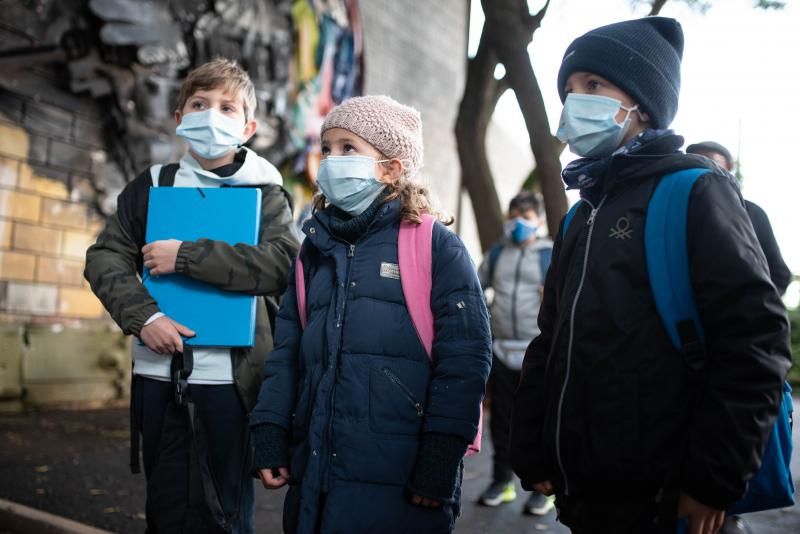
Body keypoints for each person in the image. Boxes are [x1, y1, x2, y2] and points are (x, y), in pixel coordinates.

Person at [509, 17, 791, 534]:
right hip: (586, 491)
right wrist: (534, 447)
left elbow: (755, 342)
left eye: (594, 85)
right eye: (569, 90)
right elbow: (552, 342)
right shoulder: (581, 212)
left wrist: (713, 480)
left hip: (671, 495)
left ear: (643, 103)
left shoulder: (696, 191)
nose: (576, 102)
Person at [248, 95, 492, 533]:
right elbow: (287, 354)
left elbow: (466, 361)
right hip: (315, 477)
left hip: (403, 480)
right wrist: (269, 430)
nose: (330, 160)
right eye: (327, 149)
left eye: (348, 148)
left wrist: (440, 457)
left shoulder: (435, 247)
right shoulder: (312, 252)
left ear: (392, 168)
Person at [84, 58, 299, 533]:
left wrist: (185, 257)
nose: (211, 115)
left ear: (249, 127)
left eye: (227, 107)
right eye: (199, 104)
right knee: (164, 509)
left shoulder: (267, 194)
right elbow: (104, 259)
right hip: (158, 378)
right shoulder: (153, 184)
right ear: (180, 117)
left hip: (229, 384)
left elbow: (282, 265)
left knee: (222, 512)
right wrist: (145, 317)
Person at [476, 191, 554, 515]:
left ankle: (545, 488)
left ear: (539, 220)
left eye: (527, 215)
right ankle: (501, 481)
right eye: (514, 215)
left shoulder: (553, 254)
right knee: (502, 423)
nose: (519, 222)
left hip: (539, 354)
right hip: (503, 350)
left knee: (543, 422)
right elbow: (474, 287)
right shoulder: (496, 253)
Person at [685, 140, 792, 295]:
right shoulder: (674, 211)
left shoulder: (753, 213)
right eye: (692, 164)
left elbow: (779, 274)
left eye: (709, 162)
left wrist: (758, 309)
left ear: (728, 167)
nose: (700, 171)